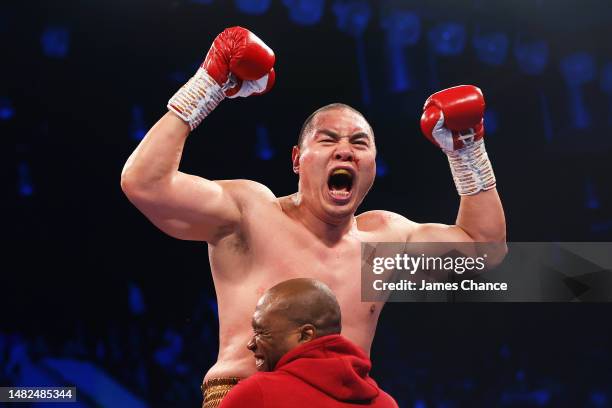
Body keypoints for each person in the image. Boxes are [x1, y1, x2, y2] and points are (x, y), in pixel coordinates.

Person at [120, 26, 506, 407]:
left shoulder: (384, 241)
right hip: (252, 394)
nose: (345, 151)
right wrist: (209, 85)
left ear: (373, 166)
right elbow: (145, 183)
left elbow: (485, 249)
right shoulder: (250, 212)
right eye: (327, 139)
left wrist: (467, 151)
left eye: (359, 143)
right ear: (296, 160)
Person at [218, 278, 398, 407]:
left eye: (261, 332)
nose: (250, 344)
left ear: (305, 335)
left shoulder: (255, 394)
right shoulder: (385, 403)